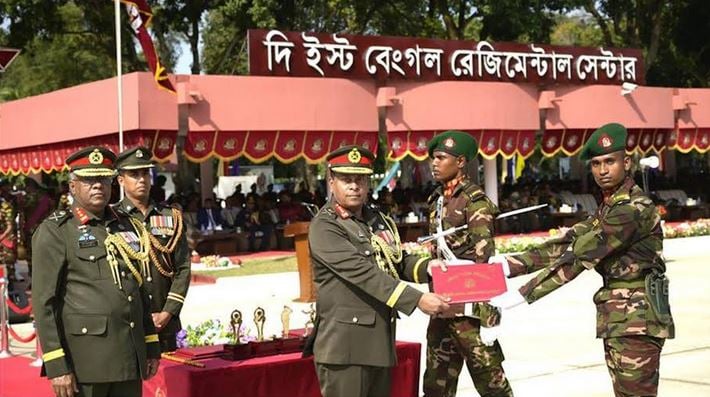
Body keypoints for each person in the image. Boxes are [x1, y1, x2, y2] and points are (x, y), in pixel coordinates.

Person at [489, 123, 675, 397]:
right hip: (621, 317)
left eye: (610, 161)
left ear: (626, 162)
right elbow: (568, 243)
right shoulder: (609, 207)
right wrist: (508, 266)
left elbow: (578, 258)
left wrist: (519, 295)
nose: (602, 170)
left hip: (637, 319)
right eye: (596, 163)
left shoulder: (632, 210)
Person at [306, 145, 451, 397]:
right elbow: (364, 274)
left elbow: (394, 259)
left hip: (378, 343)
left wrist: (427, 267)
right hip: (345, 349)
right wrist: (416, 299)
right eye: (346, 179)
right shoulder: (325, 226)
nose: (354, 186)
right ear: (331, 182)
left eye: (360, 179)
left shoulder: (376, 219)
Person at [32, 146, 160, 397]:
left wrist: (151, 346)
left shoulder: (125, 225)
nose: (98, 185)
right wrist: (57, 366)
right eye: (89, 180)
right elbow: (44, 303)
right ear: (72, 186)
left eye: (103, 179)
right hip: (85, 363)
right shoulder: (56, 231)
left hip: (128, 357)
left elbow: (138, 288)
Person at [424, 131, 513, 397]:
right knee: (435, 387)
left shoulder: (474, 201)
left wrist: (489, 317)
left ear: (461, 162)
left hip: (470, 314)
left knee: (492, 385)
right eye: (433, 158)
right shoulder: (437, 200)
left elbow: (484, 261)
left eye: (441, 158)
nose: (434, 163)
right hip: (443, 306)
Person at [114, 146, 191, 352]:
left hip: (165, 321)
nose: (142, 179)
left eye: (145, 173)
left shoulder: (170, 215)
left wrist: (168, 311)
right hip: (128, 322)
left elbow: (182, 267)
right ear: (121, 180)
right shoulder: (111, 220)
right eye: (134, 174)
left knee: (170, 381)